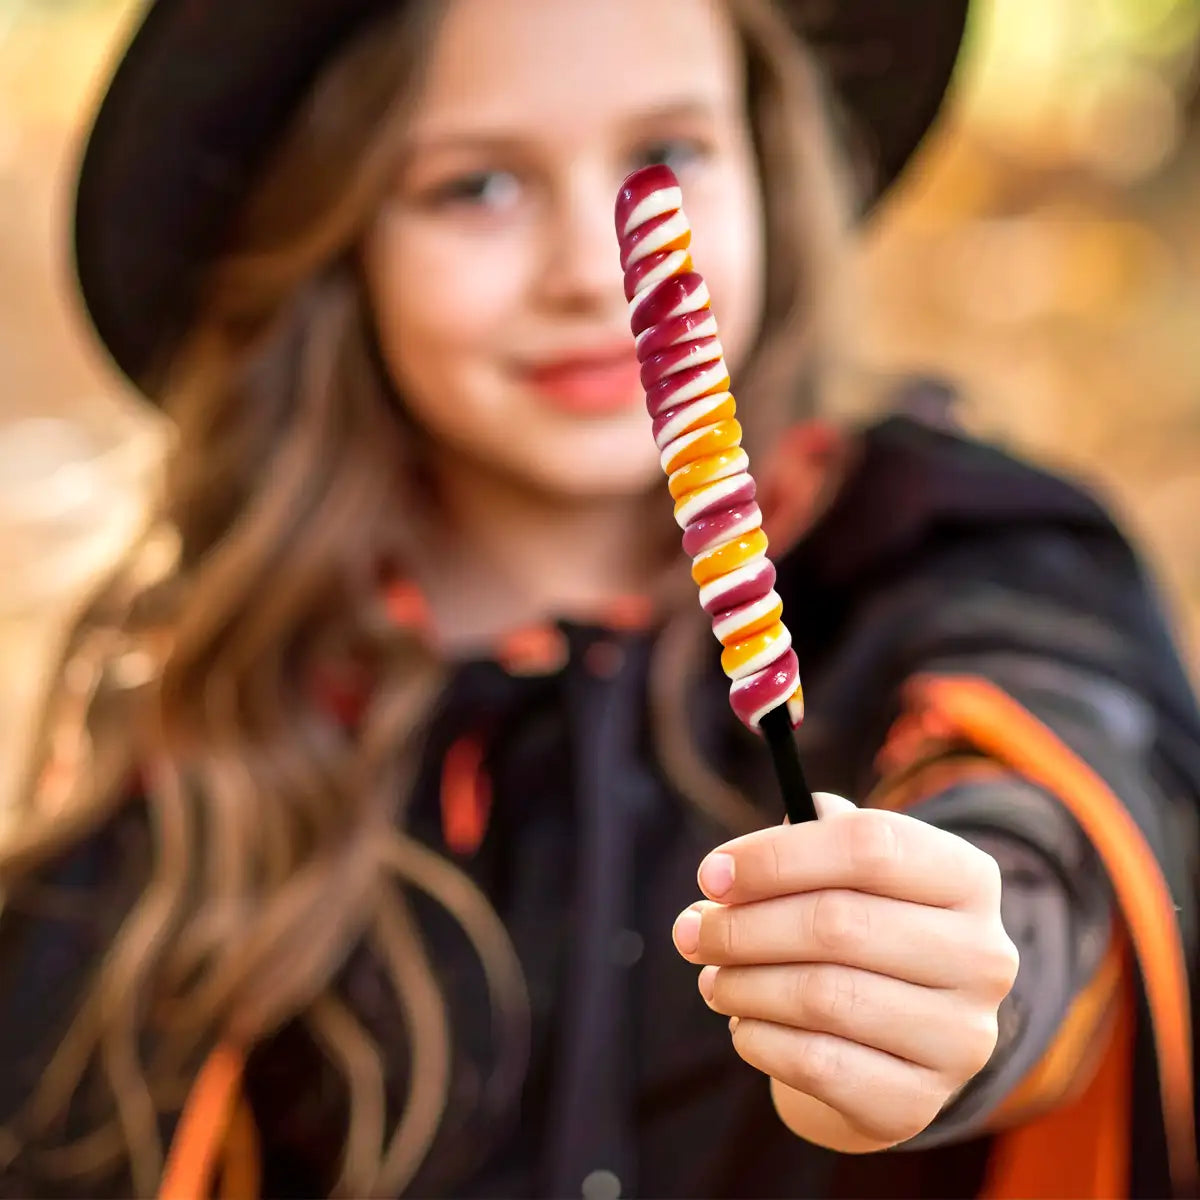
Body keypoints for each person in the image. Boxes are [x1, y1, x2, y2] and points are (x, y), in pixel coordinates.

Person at [0, 0, 1196, 1196]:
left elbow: (1064, 809)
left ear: (768, 168)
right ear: (335, 229)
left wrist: (968, 979)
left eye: (666, 156)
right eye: (476, 186)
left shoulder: (946, 559)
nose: (592, 269)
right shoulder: (223, 727)